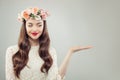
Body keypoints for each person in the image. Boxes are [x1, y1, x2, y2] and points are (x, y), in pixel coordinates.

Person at [5, 7, 92, 80]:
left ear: (44, 26)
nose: (35, 29)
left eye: (39, 25)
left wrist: (70, 52)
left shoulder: (50, 51)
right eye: (30, 25)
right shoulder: (12, 51)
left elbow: (55, 78)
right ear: (25, 26)